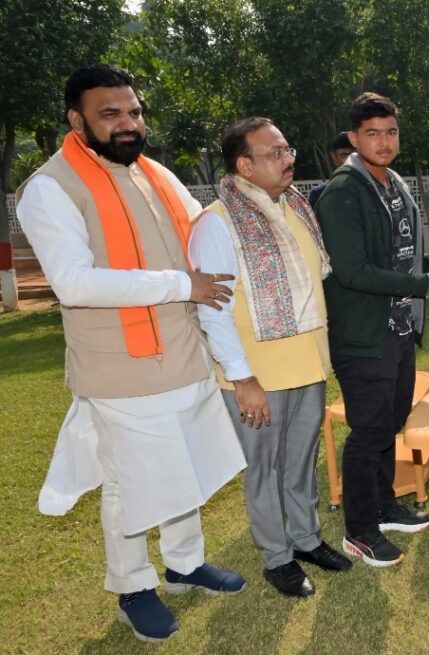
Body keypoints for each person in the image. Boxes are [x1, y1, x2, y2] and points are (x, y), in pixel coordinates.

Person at [15, 64, 247, 643]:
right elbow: (74, 282)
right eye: (111, 113)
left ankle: (185, 565)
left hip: (185, 353)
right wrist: (182, 284)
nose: (128, 123)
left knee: (186, 466)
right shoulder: (49, 187)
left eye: (135, 111)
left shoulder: (153, 172)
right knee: (131, 483)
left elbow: (203, 233)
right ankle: (132, 587)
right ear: (77, 121)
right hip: (118, 367)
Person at [189, 117, 350, 598]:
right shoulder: (217, 222)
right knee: (264, 468)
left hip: (307, 364)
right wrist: (243, 380)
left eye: (288, 149)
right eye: (275, 153)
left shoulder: (296, 206)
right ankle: (277, 557)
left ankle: (306, 539)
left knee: (300, 462)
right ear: (244, 166)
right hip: (257, 374)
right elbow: (212, 310)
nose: (288, 159)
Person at [315, 92, 429, 567]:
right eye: (372, 134)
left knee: (390, 421)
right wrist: (425, 284)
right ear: (355, 138)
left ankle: (383, 507)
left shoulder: (393, 183)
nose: (384, 142)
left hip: (397, 329)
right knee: (368, 430)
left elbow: (395, 256)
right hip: (363, 334)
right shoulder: (344, 191)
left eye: (391, 132)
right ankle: (359, 531)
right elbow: (353, 271)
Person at [308, 132, 355, 207]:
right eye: (344, 155)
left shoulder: (371, 188)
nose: (350, 159)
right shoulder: (319, 193)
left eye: (354, 154)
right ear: (334, 157)